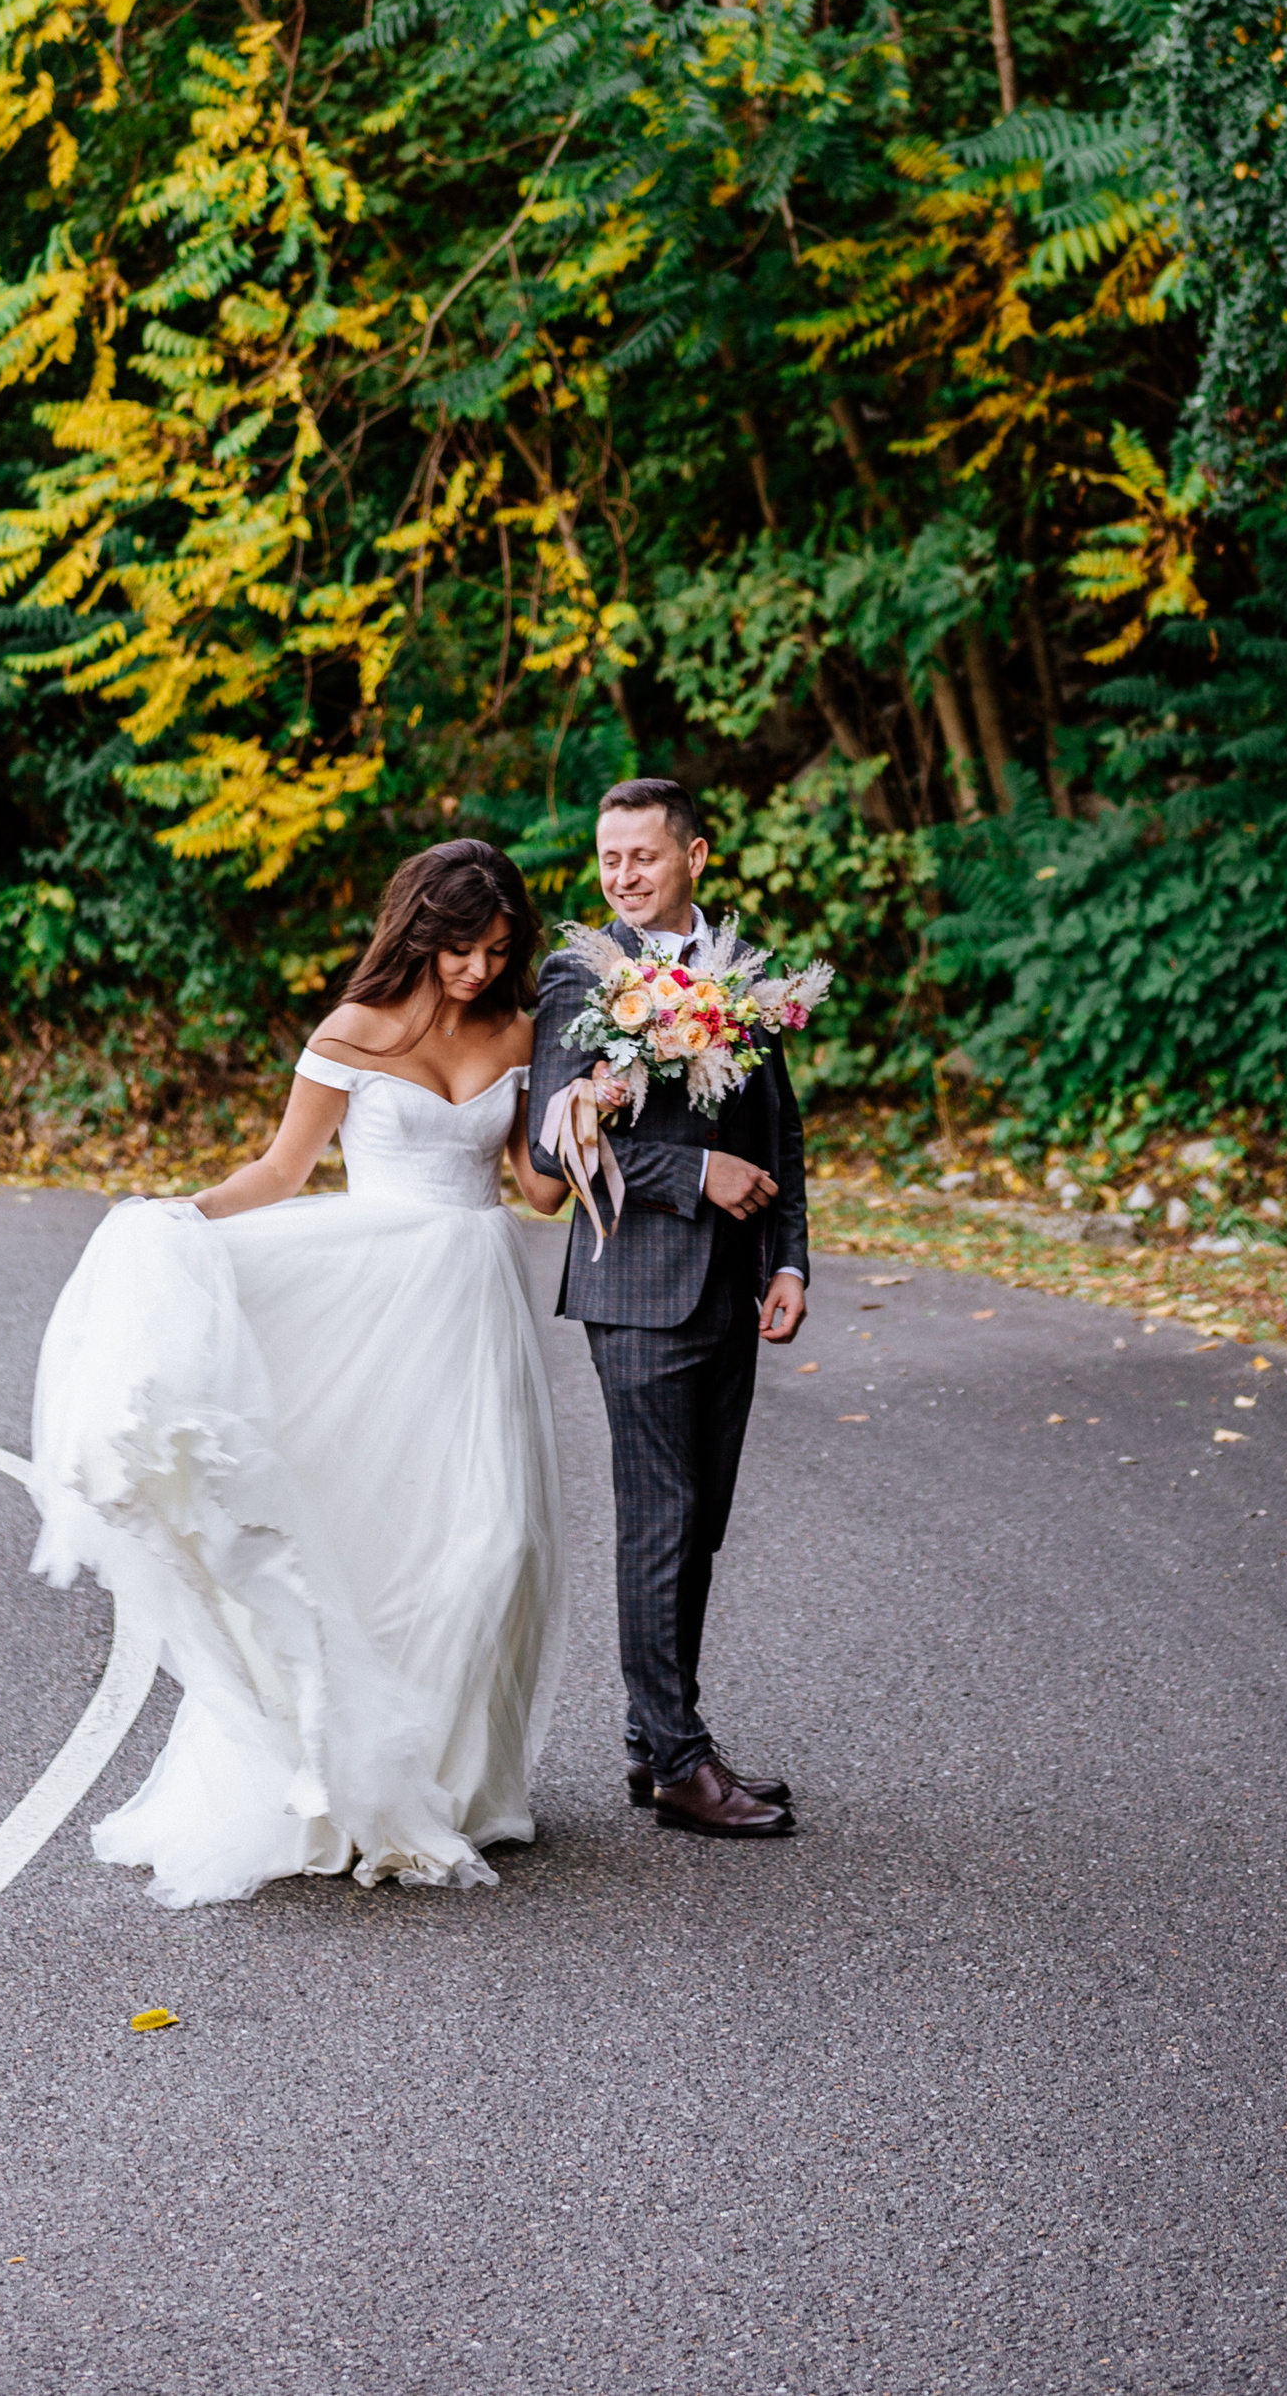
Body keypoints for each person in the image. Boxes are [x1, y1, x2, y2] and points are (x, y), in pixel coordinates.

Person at [28, 837, 572, 1907]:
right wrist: (175, 1218)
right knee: (382, 1539)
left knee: (499, 1536)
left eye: (497, 950)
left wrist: (582, 1109)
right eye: (462, 948)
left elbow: (540, 1195)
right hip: (370, 1295)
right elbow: (282, 1170)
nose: (476, 970)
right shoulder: (352, 1032)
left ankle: (454, 1789)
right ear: (421, 933)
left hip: (475, 1299)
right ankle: (359, 1782)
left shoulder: (519, 1028)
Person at [527, 776, 809, 1839]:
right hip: (634, 1284)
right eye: (608, 859)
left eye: (642, 856)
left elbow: (777, 1131)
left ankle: (658, 1744)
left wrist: (788, 1262)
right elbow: (560, 1138)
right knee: (660, 1519)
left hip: (732, 1286)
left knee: (702, 1523)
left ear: (695, 853)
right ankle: (678, 1759)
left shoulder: (747, 975)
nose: (622, 876)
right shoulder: (577, 975)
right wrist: (695, 1180)